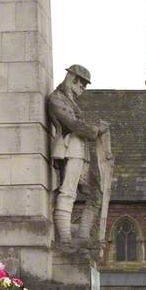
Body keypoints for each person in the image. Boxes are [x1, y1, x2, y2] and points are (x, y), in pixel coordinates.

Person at [46, 65, 110, 245]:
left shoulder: (70, 100)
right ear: (72, 79)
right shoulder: (56, 98)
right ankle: (65, 238)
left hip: (81, 151)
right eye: (82, 84)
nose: (83, 88)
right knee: (68, 192)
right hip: (69, 148)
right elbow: (72, 124)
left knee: (95, 194)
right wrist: (96, 129)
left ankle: (83, 236)